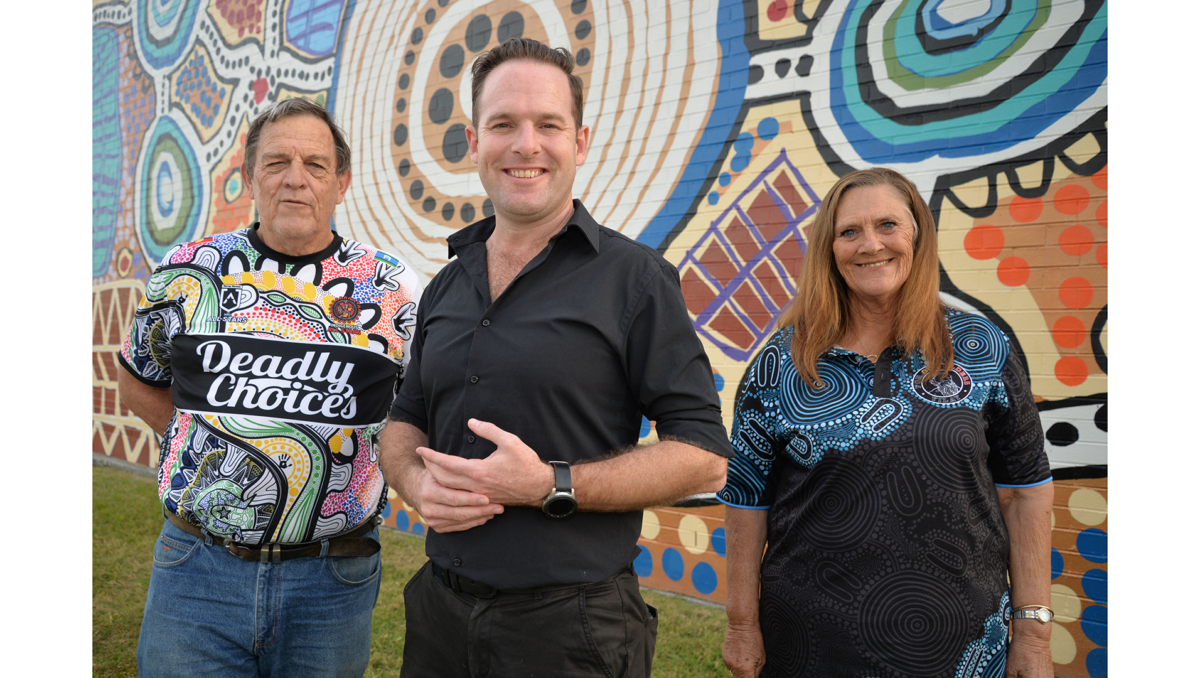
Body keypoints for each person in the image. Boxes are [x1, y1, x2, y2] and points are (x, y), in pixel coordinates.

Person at [379, 38, 732, 678]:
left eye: (549, 125)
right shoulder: (445, 286)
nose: (526, 144)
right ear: (472, 139)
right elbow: (405, 420)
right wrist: (414, 481)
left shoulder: (637, 280)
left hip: (573, 631)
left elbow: (703, 455)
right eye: (504, 124)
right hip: (440, 616)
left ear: (581, 140)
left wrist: (551, 485)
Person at [117, 97, 422, 678]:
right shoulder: (188, 272)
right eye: (277, 162)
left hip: (332, 579)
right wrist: (212, 440)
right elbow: (138, 383)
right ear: (251, 177)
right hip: (197, 571)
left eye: (315, 164)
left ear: (342, 182)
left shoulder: (393, 288)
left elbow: (415, 409)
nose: (295, 179)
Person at [719, 168, 1055, 678]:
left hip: (962, 649)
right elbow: (746, 505)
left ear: (916, 234)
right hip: (812, 647)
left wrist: (1032, 631)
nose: (870, 244)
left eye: (888, 225)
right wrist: (742, 624)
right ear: (828, 250)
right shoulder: (780, 364)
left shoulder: (982, 347)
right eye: (849, 231)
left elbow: (1024, 491)